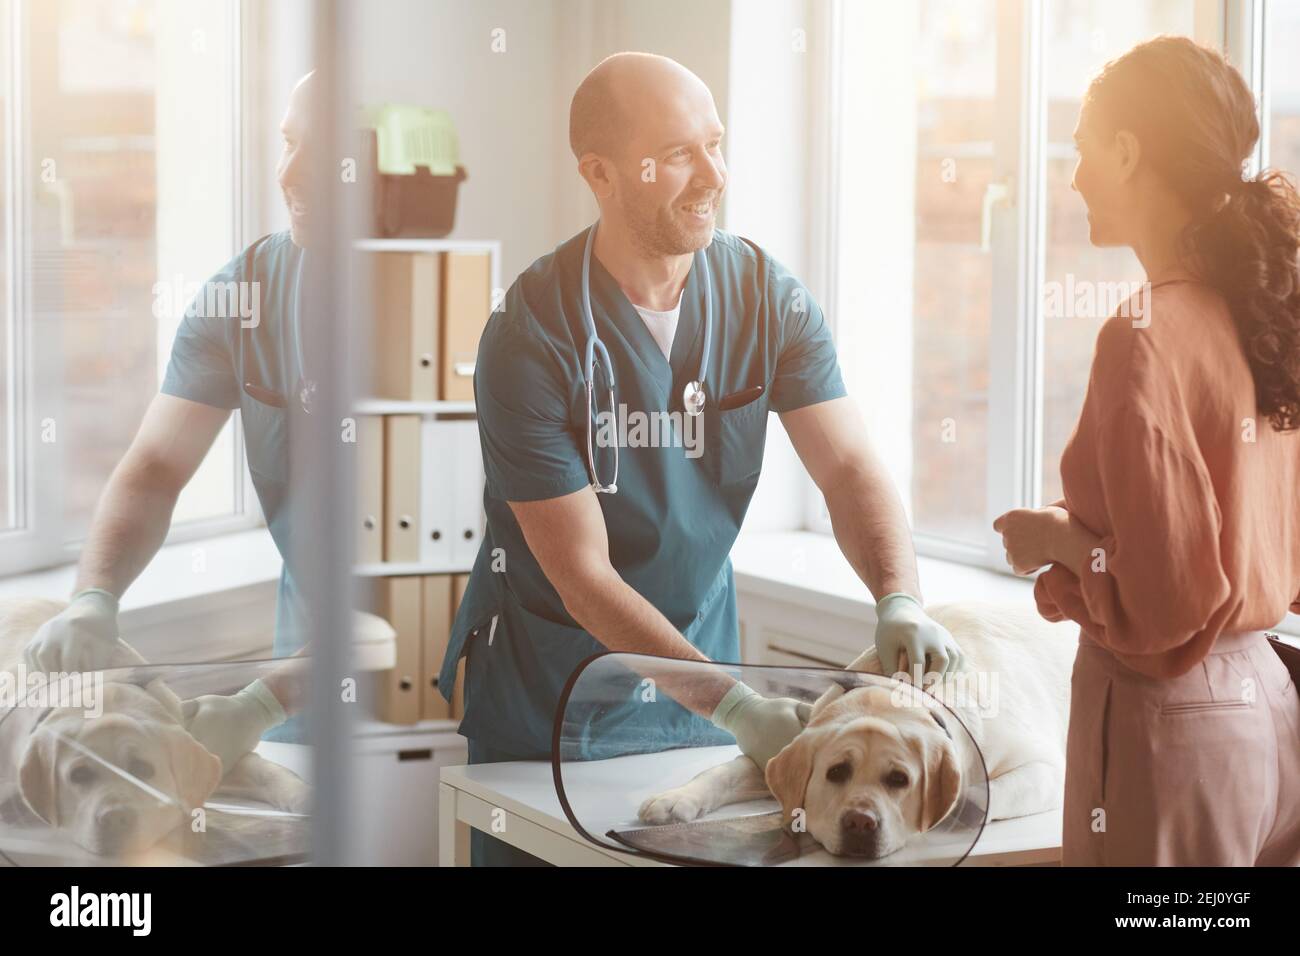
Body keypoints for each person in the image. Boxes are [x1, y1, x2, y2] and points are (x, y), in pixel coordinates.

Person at [439, 52, 965, 866]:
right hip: (556, 699)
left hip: (699, 685)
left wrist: (898, 596)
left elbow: (849, 467)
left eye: (716, 144)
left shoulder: (766, 296)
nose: (712, 175)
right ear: (601, 173)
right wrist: (741, 707)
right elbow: (584, 575)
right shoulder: (529, 335)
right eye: (680, 154)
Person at [994, 36, 1300, 865]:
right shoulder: (1267, 310)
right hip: (1270, 713)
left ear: (1129, 151)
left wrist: (1057, 542)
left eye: (1085, 149)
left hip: (1173, 731)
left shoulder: (1141, 337)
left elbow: (1166, 605)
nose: (1075, 176)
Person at [22, 71, 331, 756]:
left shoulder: (435, 319)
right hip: (302, 703)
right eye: (288, 142)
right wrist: (93, 598)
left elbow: (432, 569)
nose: (292, 171)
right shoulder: (245, 296)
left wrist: (258, 704)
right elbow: (157, 468)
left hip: (424, 697)